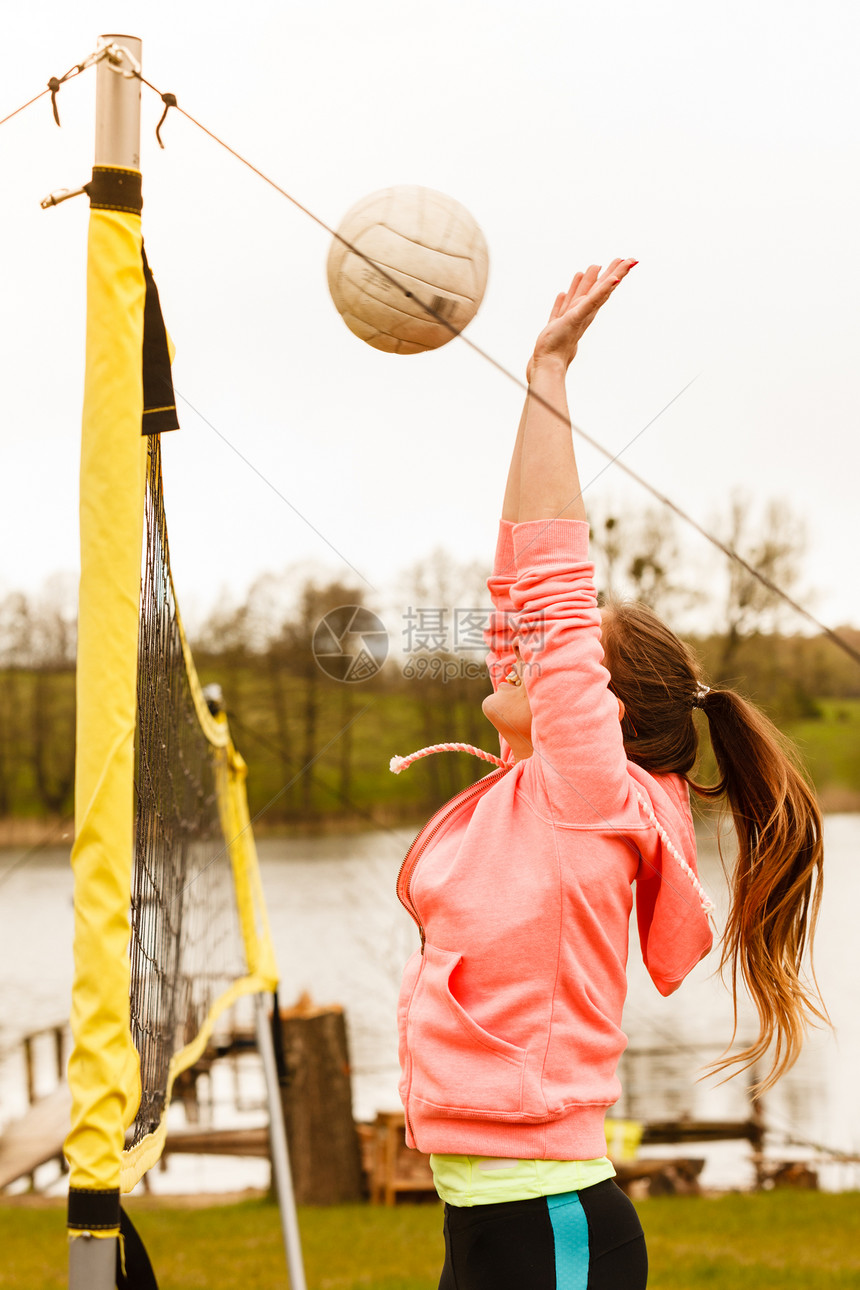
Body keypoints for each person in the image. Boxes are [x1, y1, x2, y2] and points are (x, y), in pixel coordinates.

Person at [392, 261, 826, 1289]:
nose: (511, 647)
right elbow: (517, 587)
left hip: (547, 1221)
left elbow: (545, 581)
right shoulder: (550, 788)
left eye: (548, 647)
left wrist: (547, 372)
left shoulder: (589, 798)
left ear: (599, 709)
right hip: (490, 1215)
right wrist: (529, 390)